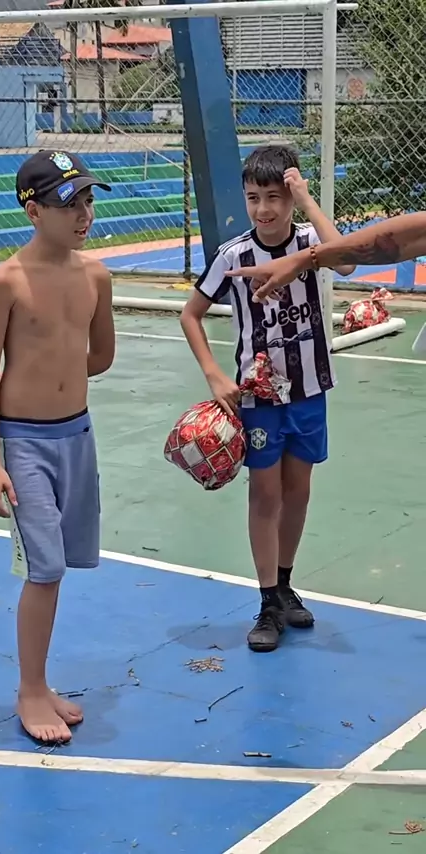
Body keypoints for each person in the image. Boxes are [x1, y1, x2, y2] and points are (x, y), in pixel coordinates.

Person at [180, 144, 356, 652]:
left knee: (298, 490)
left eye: (276, 197)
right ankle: (266, 601)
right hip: (258, 399)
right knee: (265, 493)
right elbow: (190, 314)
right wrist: (215, 375)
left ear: (292, 198)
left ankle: (283, 584)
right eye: (254, 197)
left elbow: (346, 262)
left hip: (309, 391)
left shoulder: (311, 245)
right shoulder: (233, 255)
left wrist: (308, 198)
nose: (264, 208)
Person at [0, 150, 115, 743]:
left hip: (76, 436)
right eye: (68, 204)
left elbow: (100, 356)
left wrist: (60, 374)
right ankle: (30, 688)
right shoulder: (5, 281)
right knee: (45, 569)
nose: (83, 214)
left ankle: (42, 683)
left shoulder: (97, 276)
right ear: (33, 212)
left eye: (87, 200)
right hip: (23, 443)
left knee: (62, 565)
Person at [227, 210, 426, 302]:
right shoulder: (231, 252)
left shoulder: (309, 235)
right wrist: (300, 261)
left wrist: (299, 261)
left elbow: (346, 267)